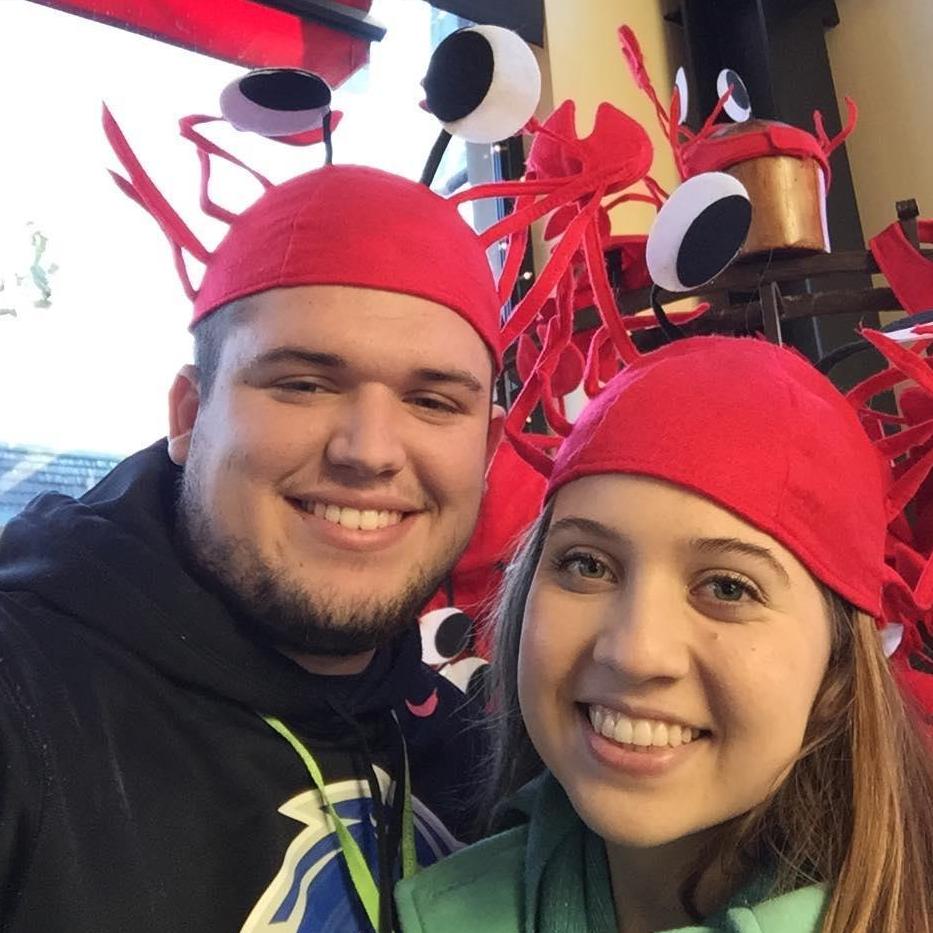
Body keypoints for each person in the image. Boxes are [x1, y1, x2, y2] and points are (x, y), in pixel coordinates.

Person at [0, 104, 508, 931]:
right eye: (302, 383)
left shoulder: (479, 756)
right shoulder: (29, 693)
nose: (370, 451)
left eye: (430, 400)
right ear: (191, 413)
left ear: (483, 448)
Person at [395, 333, 933, 933]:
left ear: (836, 670)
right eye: (587, 565)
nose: (634, 652)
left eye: (727, 587)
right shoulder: (438, 910)